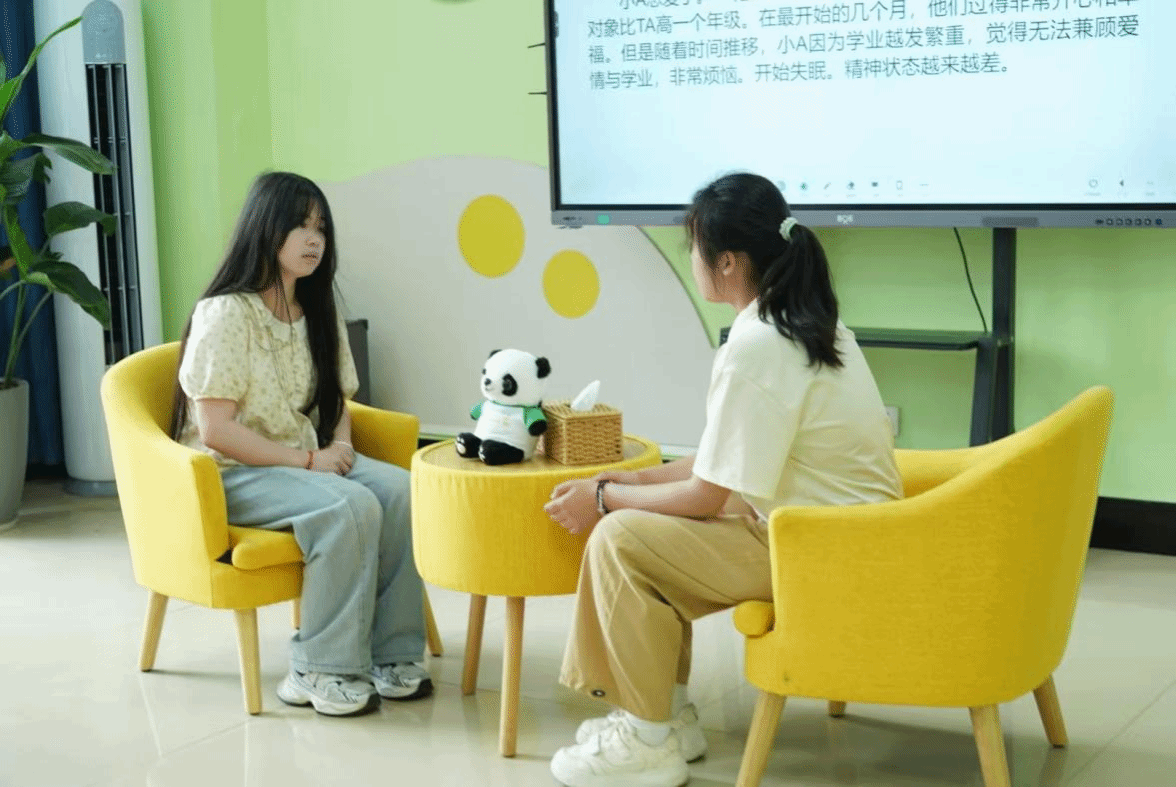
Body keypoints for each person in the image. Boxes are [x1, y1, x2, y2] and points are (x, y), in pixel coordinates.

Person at [542, 172, 903, 786]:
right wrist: (629, 481)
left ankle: (646, 741)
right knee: (636, 527)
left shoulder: (758, 343)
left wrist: (604, 499)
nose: (692, 259)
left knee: (621, 540)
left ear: (728, 261)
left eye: (695, 247)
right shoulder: (804, 322)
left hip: (818, 551)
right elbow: (723, 461)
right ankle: (665, 718)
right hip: (845, 538)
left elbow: (709, 496)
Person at [170, 171, 431, 717]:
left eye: (321, 229)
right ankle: (318, 668)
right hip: (231, 473)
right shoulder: (226, 313)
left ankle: (390, 654)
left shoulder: (317, 310)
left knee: (401, 491)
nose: (314, 240)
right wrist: (311, 461)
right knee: (349, 507)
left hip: (301, 460)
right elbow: (216, 431)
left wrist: (339, 447)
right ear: (266, 229)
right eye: (300, 226)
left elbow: (338, 400)